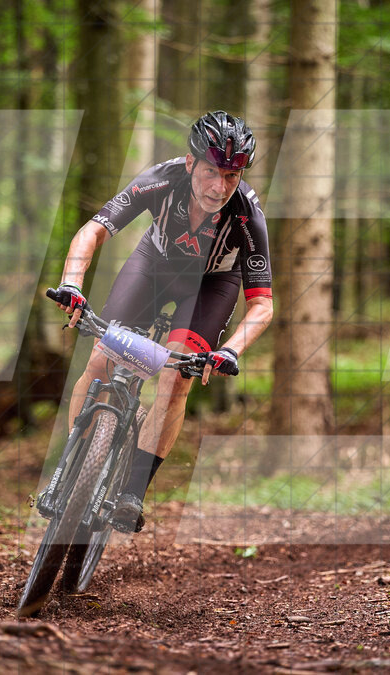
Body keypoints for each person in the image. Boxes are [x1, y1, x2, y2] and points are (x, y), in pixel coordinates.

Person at [51, 111, 274, 533]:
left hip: (210, 286)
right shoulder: (159, 179)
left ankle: (133, 491)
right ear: (190, 163)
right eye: (211, 172)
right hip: (153, 267)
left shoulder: (247, 215)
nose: (219, 186)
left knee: (176, 381)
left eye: (231, 176)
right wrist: (72, 284)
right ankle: (74, 465)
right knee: (101, 362)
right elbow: (92, 231)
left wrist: (230, 351)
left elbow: (262, 303)